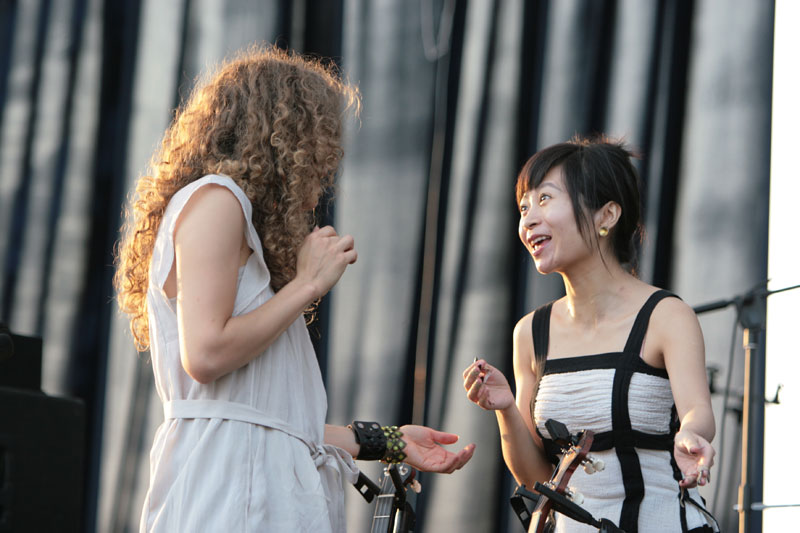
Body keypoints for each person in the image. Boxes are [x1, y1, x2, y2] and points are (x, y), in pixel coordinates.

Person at [115, 45, 474, 533]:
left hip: (254, 490)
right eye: (321, 144)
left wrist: (387, 442)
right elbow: (205, 353)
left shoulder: (234, 221)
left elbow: (274, 419)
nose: (326, 170)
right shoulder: (218, 200)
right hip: (227, 497)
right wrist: (307, 284)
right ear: (285, 138)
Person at [462, 136, 718, 532]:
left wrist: (692, 435)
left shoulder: (666, 315)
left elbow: (697, 411)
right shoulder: (530, 332)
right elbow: (535, 478)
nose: (528, 219)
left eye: (545, 199)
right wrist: (506, 409)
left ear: (607, 216)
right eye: (524, 207)